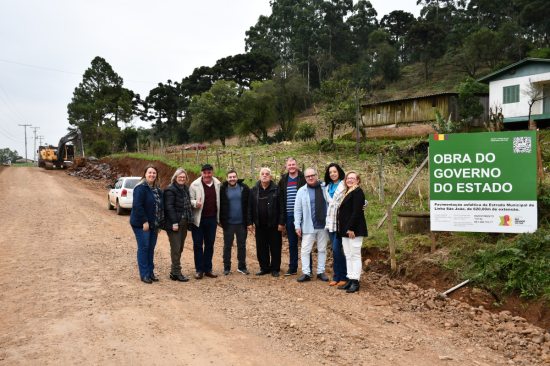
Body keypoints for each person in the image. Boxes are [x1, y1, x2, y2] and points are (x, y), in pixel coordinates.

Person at [294, 168, 329, 282]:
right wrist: (297, 225)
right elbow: (298, 210)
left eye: (312, 175)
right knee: (305, 250)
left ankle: (320, 272)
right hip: (309, 226)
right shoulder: (301, 191)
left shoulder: (325, 187)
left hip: (323, 225)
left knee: (322, 249)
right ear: (305, 178)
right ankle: (306, 273)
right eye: (308, 176)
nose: (310, 177)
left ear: (316, 175)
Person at [130, 165, 163, 284]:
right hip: (141, 224)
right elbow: (137, 206)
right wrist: (144, 221)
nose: (152, 175)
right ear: (145, 174)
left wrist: (159, 222)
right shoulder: (140, 188)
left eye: (154, 173)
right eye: (150, 173)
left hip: (154, 224)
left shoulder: (157, 189)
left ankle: (150, 272)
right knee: (144, 248)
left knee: (151, 248)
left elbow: (160, 207)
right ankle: (144, 274)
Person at [248, 167, 283, 277]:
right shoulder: (254, 190)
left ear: (270, 176)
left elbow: (282, 207)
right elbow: (249, 207)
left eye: (267, 174)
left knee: (275, 247)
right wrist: (249, 222)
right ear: (259, 176)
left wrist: (281, 223)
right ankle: (264, 267)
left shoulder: (277, 189)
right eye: (262, 174)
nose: (264, 175)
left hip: (274, 224)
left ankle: (275, 268)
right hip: (260, 225)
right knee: (261, 247)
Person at [337, 171, 368, 293]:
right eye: (348, 178)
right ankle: (350, 278)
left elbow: (356, 212)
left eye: (352, 178)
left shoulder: (358, 192)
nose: (349, 180)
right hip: (345, 229)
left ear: (358, 180)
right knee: (348, 255)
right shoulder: (347, 192)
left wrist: (351, 228)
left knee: (355, 255)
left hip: (354, 229)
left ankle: (355, 281)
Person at [189, 163, 221, 279]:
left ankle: (208, 268)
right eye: (205, 172)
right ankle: (199, 270)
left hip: (212, 219)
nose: (207, 175)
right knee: (198, 245)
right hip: (198, 220)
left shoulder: (217, 184)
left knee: (210, 244)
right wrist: (194, 203)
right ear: (201, 173)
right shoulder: (194, 185)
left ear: (212, 173)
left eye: (209, 172)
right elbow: (189, 200)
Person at [164, 168, 193, 282]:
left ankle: (173, 272)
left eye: (183, 177)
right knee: (176, 248)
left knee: (180, 247)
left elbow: (187, 204)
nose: (182, 178)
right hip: (175, 223)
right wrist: (174, 222)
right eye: (179, 177)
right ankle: (177, 272)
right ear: (175, 178)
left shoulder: (185, 188)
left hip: (184, 222)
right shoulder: (170, 189)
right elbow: (169, 207)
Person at [278, 157, 306, 276]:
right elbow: (280, 199)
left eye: (293, 164)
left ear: (297, 165)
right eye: (289, 165)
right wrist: (282, 219)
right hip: (289, 216)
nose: (291, 166)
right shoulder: (283, 179)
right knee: (292, 243)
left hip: (304, 216)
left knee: (306, 243)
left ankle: (307, 268)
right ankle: (293, 267)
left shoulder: (303, 178)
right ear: (286, 166)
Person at [220, 169, 250, 275]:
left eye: (234, 177)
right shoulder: (223, 189)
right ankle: (226, 267)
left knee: (242, 245)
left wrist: (249, 221)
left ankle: (242, 266)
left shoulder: (244, 188)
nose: (232, 179)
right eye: (230, 177)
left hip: (241, 223)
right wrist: (222, 221)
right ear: (227, 178)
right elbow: (220, 206)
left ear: (237, 177)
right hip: (228, 224)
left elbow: (248, 205)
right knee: (227, 246)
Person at [323, 163, 348, 287]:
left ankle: (343, 276)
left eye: (334, 171)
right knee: (334, 250)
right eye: (330, 172)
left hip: (340, 221)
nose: (332, 174)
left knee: (338, 250)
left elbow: (354, 196)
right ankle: (336, 276)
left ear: (339, 172)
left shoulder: (344, 185)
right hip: (330, 222)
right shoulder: (327, 187)